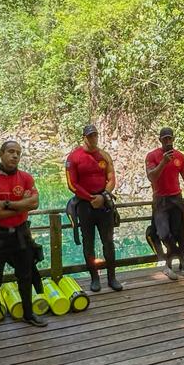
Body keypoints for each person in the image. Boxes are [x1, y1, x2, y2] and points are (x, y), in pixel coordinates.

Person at [0, 139, 48, 341]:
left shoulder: (26, 178)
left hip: (21, 235)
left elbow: (34, 203)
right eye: (10, 151)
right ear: (1, 154)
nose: (15, 156)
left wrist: (5, 204)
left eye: (18, 152)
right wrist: (20, 206)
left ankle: (28, 313)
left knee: (26, 275)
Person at [65, 123, 123, 294]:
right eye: (90, 136)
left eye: (95, 135)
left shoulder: (104, 155)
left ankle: (112, 277)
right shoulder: (73, 157)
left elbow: (111, 177)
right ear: (84, 137)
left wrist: (103, 196)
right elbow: (72, 184)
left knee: (108, 241)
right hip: (85, 204)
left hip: (103, 202)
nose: (93, 138)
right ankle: (94, 278)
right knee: (88, 242)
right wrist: (90, 198)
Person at [146, 127, 184, 279]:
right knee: (163, 234)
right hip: (160, 200)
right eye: (165, 139)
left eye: (170, 138)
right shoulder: (152, 156)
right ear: (160, 140)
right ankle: (178, 256)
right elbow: (151, 177)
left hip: (176, 198)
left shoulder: (180, 156)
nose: (168, 141)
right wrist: (163, 162)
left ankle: (182, 264)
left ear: (173, 139)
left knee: (179, 233)